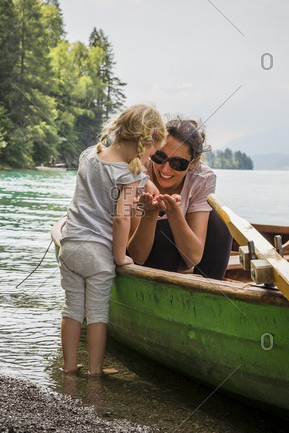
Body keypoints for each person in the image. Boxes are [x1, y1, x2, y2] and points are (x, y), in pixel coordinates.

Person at [59, 104, 167, 376]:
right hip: (97, 253)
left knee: (72, 308)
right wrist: (120, 257)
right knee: (96, 315)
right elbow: (122, 219)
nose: (149, 161)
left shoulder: (88, 155)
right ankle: (95, 371)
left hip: (70, 244)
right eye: (151, 154)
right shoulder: (128, 174)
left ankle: (69, 367)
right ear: (144, 143)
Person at [128, 118, 232, 279]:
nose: (165, 168)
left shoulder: (203, 178)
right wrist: (150, 213)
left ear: (193, 163)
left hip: (180, 255)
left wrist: (175, 214)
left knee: (220, 223)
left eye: (177, 163)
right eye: (160, 156)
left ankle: (210, 292)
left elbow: (193, 259)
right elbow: (137, 256)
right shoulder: (138, 171)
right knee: (164, 230)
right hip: (138, 257)